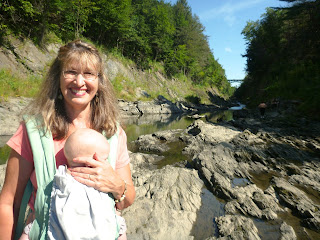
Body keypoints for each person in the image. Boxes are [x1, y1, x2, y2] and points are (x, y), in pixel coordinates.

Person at [0, 39, 135, 239]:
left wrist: (117, 185)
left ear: (99, 81)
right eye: (71, 72)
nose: (79, 82)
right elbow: (9, 202)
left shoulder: (113, 134)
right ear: (58, 78)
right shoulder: (35, 131)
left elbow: (127, 198)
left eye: (88, 73)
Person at [19, 128, 127, 239]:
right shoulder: (99, 180)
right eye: (105, 159)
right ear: (90, 163)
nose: (107, 162)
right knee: (119, 223)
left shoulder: (60, 178)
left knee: (30, 226)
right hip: (99, 233)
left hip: (57, 233)